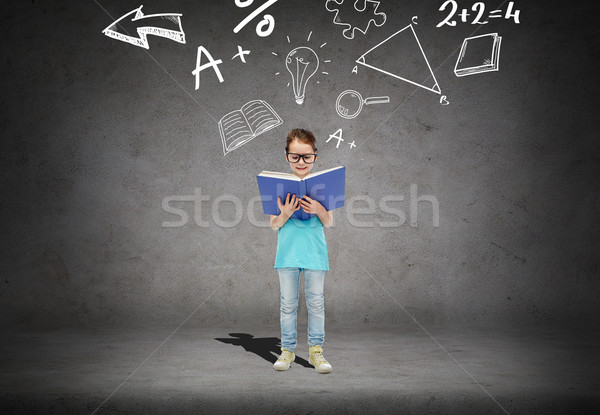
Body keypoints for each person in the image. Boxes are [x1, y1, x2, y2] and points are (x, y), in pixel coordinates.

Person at [270, 128, 333, 374]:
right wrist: (285, 213)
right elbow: (274, 224)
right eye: (295, 156)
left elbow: (329, 222)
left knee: (316, 303)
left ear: (315, 156)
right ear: (287, 157)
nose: (301, 162)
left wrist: (318, 208)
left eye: (307, 157)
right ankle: (287, 352)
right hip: (287, 254)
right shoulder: (279, 187)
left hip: (315, 254)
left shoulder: (324, 187)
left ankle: (316, 353)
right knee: (288, 304)